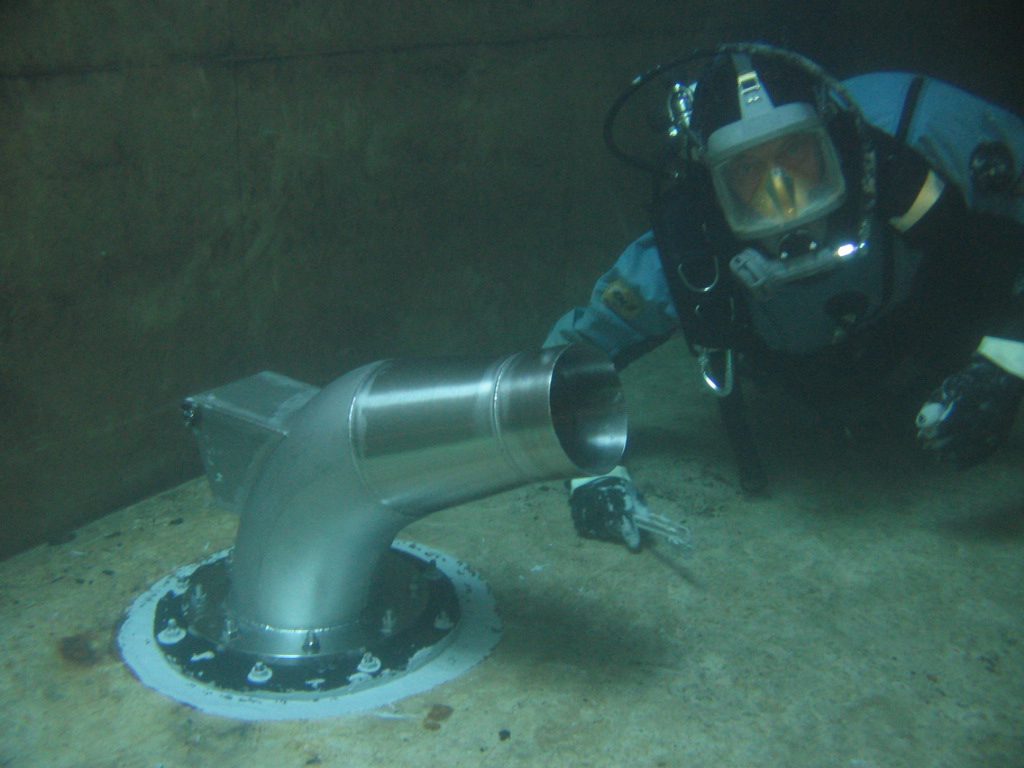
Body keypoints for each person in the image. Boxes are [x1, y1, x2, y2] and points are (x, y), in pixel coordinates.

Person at [544, 43, 1024, 550]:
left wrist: (1008, 361)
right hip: (805, 386)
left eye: (796, 154)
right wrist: (591, 471)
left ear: (836, 143)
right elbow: (563, 362)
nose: (782, 195)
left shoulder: (928, 131)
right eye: (748, 171)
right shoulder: (692, 248)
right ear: (713, 183)